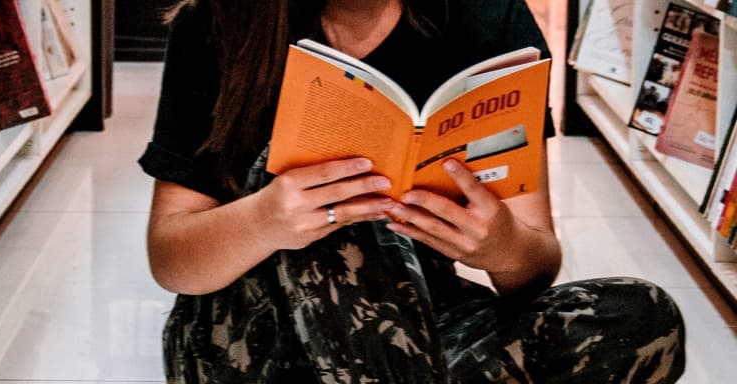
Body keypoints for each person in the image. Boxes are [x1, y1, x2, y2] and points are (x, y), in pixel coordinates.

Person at [138, 0, 686, 382]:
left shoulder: (490, 19)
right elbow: (171, 260)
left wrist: (499, 246)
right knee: (346, 196)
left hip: (414, 326)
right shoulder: (213, 23)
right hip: (249, 345)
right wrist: (266, 220)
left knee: (640, 316)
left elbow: (537, 264)